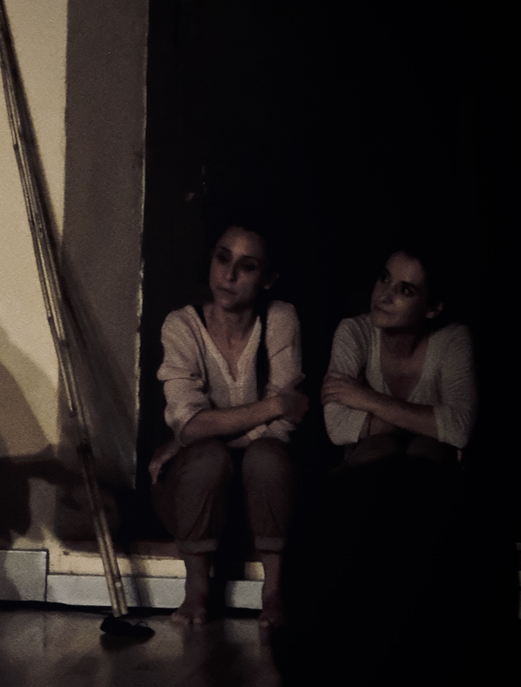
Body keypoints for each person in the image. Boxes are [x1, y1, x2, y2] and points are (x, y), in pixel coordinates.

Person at [148, 222, 308, 629]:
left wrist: (195, 434)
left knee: (267, 457)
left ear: (268, 278)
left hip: (262, 502)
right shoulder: (182, 326)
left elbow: (284, 427)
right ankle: (197, 589)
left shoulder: (280, 318)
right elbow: (189, 423)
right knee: (206, 459)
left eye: (247, 266)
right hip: (196, 496)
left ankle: (274, 592)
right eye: (223, 258)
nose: (229, 274)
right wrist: (272, 405)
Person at [321, 246, 475, 466]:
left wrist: (366, 398)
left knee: (427, 451)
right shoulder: (354, 331)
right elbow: (337, 427)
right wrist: (428, 424)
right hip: (366, 470)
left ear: (432, 308)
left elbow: (459, 429)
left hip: (431, 469)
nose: (383, 296)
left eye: (405, 290)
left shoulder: (452, 339)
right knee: (378, 450)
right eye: (384, 278)